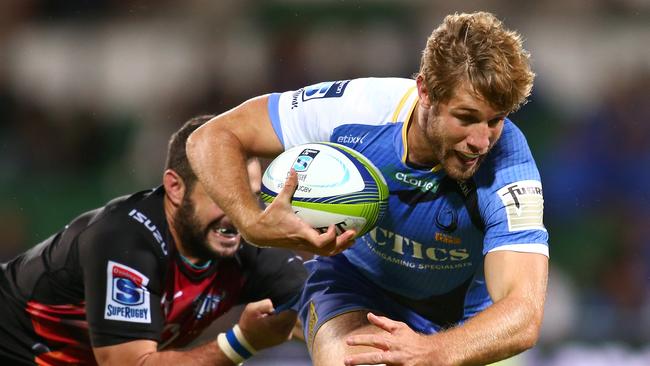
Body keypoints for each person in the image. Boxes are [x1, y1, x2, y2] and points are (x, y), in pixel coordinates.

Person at [187, 11, 548, 366]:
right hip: (354, 287)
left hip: (462, 321)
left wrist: (431, 351)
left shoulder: (510, 166)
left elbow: (524, 314)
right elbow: (211, 137)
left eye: (496, 120)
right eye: (466, 118)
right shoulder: (357, 108)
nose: (481, 141)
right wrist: (250, 223)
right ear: (425, 92)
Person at [0, 115, 307, 365]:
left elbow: (318, 310)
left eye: (248, 196)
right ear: (175, 187)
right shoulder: (124, 240)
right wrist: (242, 342)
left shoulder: (247, 246)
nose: (238, 212)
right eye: (221, 195)